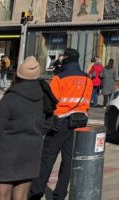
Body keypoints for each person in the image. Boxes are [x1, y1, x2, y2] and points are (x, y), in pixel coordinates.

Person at [0, 57, 57, 200]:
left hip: (4, 157)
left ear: (18, 75)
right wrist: (35, 134)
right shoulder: (44, 96)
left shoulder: (10, 98)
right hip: (29, 155)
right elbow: (49, 123)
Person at [29, 48, 92, 200]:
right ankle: (60, 195)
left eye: (62, 56)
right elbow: (87, 102)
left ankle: (36, 191)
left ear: (66, 59)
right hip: (79, 122)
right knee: (68, 160)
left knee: (47, 158)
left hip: (59, 122)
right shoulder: (87, 79)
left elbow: (50, 102)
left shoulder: (60, 78)